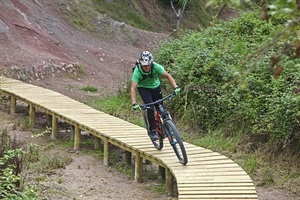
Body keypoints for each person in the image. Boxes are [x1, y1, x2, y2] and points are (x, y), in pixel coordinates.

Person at [130, 51, 181, 141]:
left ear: (151, 63)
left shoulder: (156, 67)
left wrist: (175, 87)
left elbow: (168, 76)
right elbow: (133, 88)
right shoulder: (137, 71)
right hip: (144, 88)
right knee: (150, 107)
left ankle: (169, 128)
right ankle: (153, 131)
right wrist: (134, 103)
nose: (146, 67)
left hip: (155, 87)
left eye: (148, 65)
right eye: (144, 66)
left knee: (160, 107)